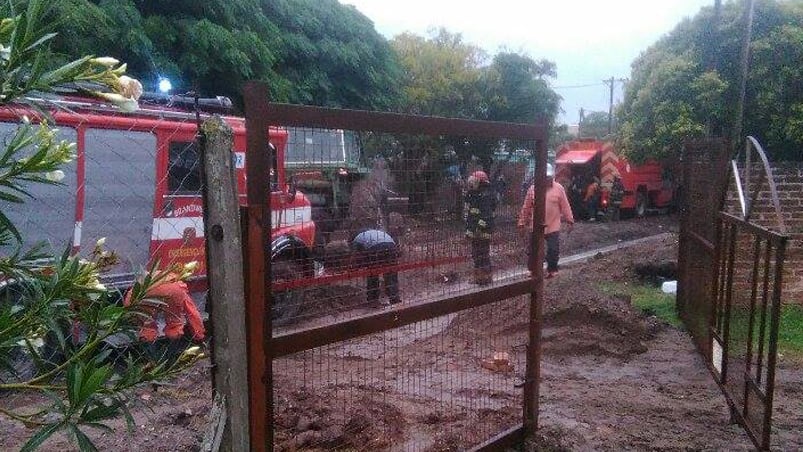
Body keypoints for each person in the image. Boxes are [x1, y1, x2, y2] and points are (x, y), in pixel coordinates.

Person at [517, 163, 575, 279]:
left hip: (552, 225)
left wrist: (570, 220)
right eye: (544, 178)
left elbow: (565, 205)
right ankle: (533, 269)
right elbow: (526, 207)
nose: (547, 180)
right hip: (536, 225)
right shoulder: (533, 189)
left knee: (553, 250)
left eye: (549, 178)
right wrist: (522, 223)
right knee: (533, 250)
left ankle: (552, 269)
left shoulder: (559, 189)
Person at [325, 229, 401, 306]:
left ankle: (373, 300)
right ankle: (394, 299)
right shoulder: (371, 233)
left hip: (374, 248)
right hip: (391, 245)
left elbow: (354, 257)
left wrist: (350, 269)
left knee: (372, 273)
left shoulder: (356, 240)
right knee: (391, 273)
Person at [464, 170, 497, 285]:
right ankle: (479, 277)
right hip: (475, 231)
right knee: (476, 254)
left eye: (474, 181)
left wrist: (478, 229)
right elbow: (470, 216)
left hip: (483, 232)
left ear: (481, 182)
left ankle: (486, 277)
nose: (471, 184)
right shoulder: (475, 195)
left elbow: (486, 215)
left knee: (482, 254)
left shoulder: (486, 196)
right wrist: (469, 231)